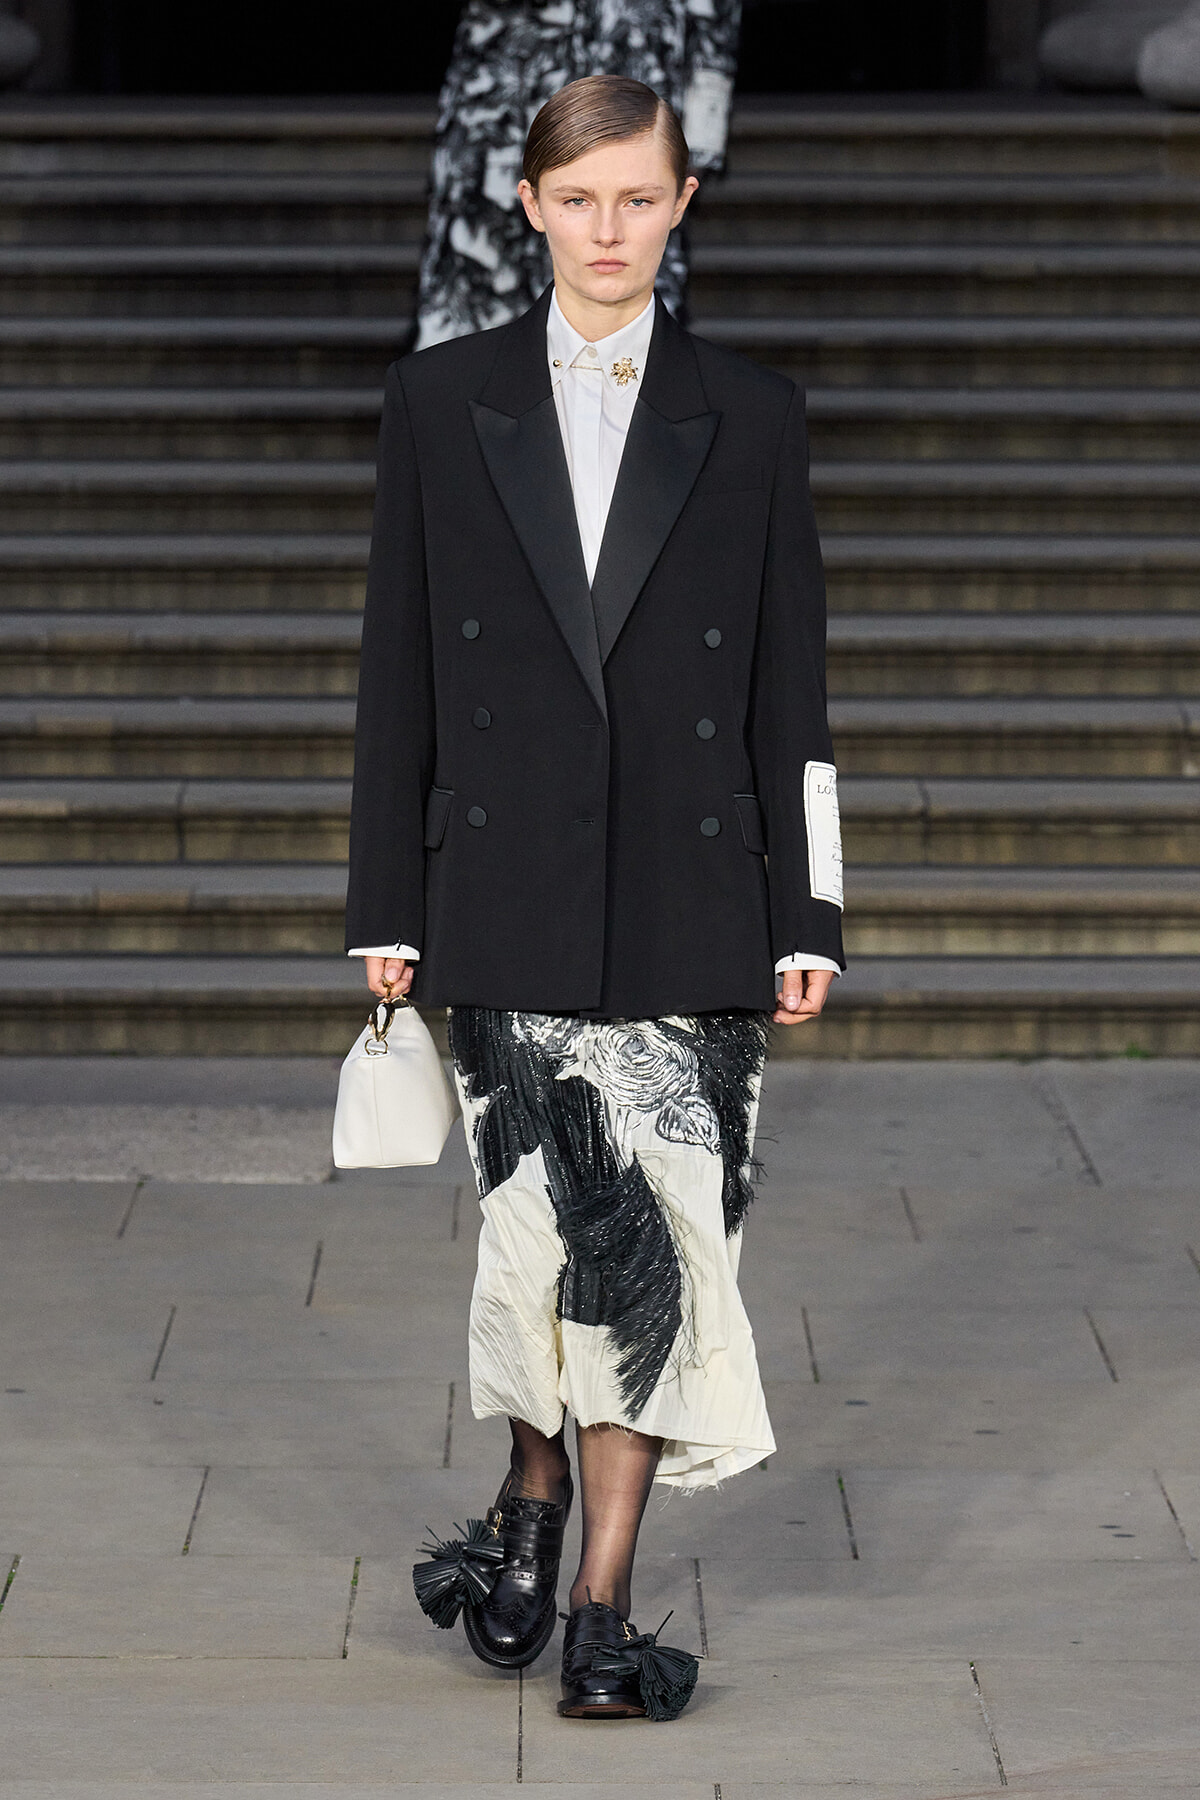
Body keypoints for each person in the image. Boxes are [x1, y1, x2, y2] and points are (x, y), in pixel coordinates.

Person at [345, 73, 844, 1721]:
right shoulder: (441, 401)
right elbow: (400, 671)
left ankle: (602, 1605)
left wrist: (811, 911)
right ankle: (533, 1485)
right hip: (503, 887)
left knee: (659, 1250)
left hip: (695, 894)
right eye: (579, 199)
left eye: (639, 197)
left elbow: (790, 686)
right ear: (529, 204)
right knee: (537, 1243)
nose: (609, 230)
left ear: (684, 200)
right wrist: (384, 903)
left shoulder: (752, 413)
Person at [413, 0, 743, 347]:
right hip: (502, 118)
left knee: (626, 299)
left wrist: (701, 134)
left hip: (638, 105)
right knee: (479, 280)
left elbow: (715, 18)